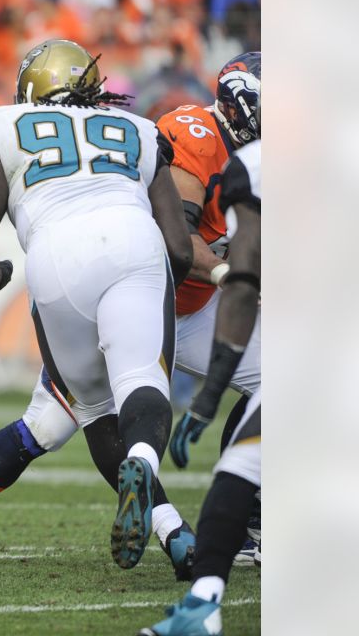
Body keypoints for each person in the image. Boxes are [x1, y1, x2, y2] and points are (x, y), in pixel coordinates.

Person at [0, 53, 262, 572]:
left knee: (63, 418)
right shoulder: (143, 128)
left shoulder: (3, 123)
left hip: (64, 267)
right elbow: (179, 249)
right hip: (146, 268)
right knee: (135, 389)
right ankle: (181, 529)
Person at [141, 139, 261, 636]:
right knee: (240, 465)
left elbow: (243, 281)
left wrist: (209, 398)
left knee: (239, 467)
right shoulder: (214, 147)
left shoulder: (255, 166)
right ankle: (205, 603)